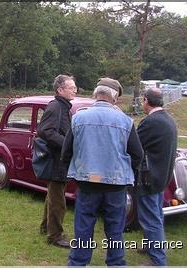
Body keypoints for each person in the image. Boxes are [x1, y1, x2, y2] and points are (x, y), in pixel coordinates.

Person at [62, 77, 143, 266]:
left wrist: (77, 171)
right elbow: (138, 154)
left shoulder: (79, 118)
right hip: (116, 185)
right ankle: (116, 263)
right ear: (115, 98)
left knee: (83, 227)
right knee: (115, 229)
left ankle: (78, 263)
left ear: (96, 94)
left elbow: (66, 152)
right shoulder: (125, 122)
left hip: (87, 182)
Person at [136, 87, 177, 266]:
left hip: (149, 178)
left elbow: (134, 146)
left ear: (146, 100)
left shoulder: (151, 122)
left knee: (151, 219)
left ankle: (158, 261)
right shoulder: (168, 119)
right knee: (155, 215)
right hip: (161, 176)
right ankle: (148, 245)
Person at [37, 74, 77, 248]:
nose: (75, 90)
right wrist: (66, 144)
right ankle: (55, 236)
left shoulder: (64, 107)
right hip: (55, 161)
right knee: (58, 202)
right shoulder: (55, 107)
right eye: (71, 87)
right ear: (60, 90)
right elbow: (45, 131)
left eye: (75, 87)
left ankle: (46, 227)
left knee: (53, 197)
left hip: (60, 161)